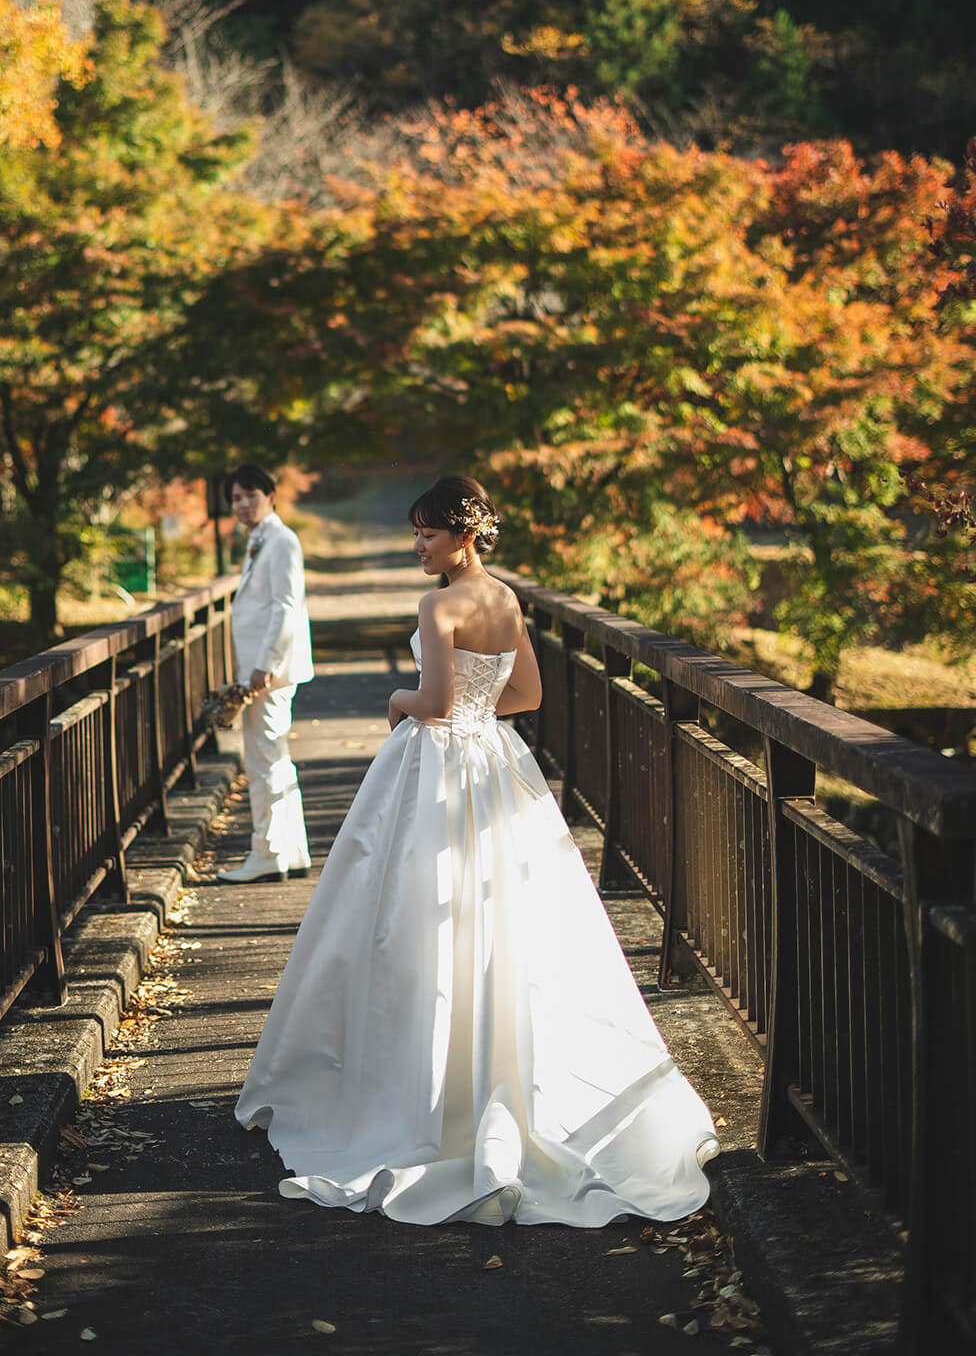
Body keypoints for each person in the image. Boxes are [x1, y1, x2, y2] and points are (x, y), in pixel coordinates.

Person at [234, 474, 719, 1224]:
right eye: (416, 531)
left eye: (427, 532)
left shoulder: (438, 605)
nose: (418, 545)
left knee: (414, 915)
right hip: (494, 760)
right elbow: (524, 695)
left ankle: (422, 1085)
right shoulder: (504, 600)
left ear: (463, 534)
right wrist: (472, 707)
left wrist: (400, 702)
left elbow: (428, 705)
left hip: (435, 765)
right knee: (498, 917)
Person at [218, 463, 314, 884]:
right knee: (273, 756)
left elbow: (285, 606)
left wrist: (264, 665)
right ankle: (291, 850)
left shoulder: (281, 540)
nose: (242, 504)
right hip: (263, 668)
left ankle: (267, 851)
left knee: (262, 759)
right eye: (236, 498)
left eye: (250, 495)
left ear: (271, 496)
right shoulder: (261, 540)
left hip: (268, 671)